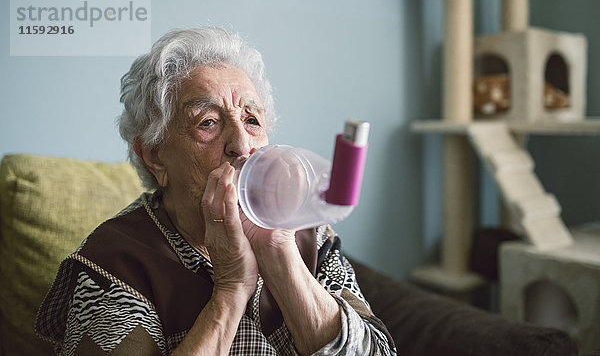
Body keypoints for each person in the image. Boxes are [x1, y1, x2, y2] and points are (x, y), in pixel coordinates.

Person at [36, 27, 396, 355]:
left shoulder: (308, 236)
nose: (242, 145)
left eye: (252, 120)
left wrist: (279, 253)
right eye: (207, 123)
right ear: (155, 156)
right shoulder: (116, 261)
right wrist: (231, 288)